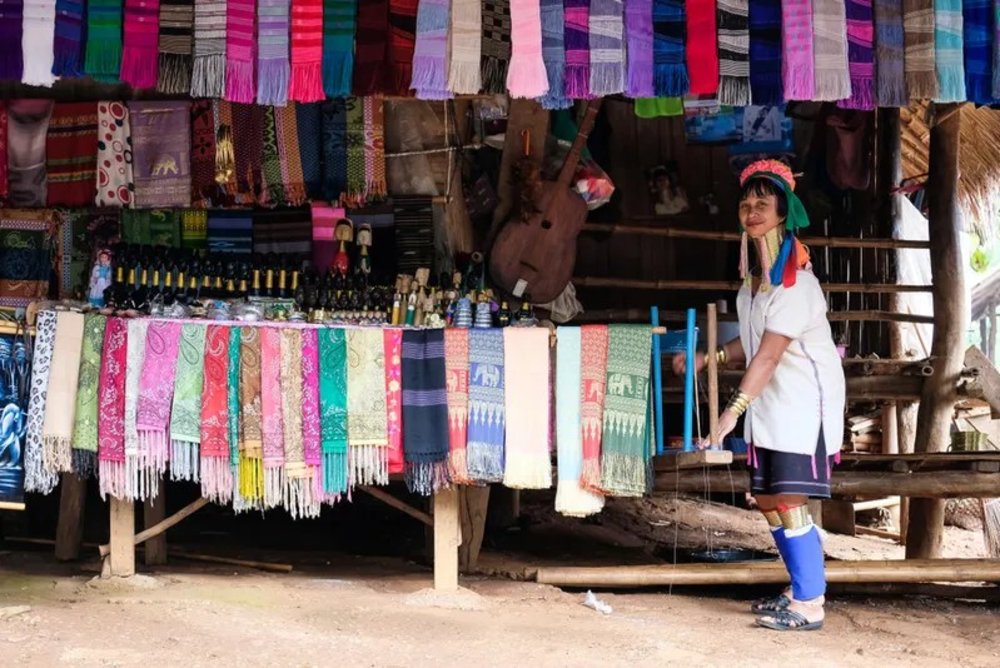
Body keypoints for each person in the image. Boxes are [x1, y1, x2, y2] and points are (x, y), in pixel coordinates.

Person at [672, 159, 845, 631]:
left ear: (783, 214)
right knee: (766, 498)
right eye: (745, 204)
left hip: (803, 405)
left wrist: (729, 416)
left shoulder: (796, 285)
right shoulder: (753, 286)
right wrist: (712, 358)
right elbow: (750, 343)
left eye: (762, 205)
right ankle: (797, 588)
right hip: (770, 400)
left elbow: (767, 357)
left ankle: (810, 603)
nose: (751, 212)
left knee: (788, 497)